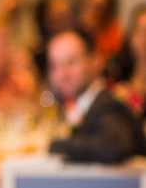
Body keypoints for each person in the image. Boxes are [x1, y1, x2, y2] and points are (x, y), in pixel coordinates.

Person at [47, 29, 146, 163]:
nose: (63, 74)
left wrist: (55, 144)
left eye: (71, 62)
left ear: (95, 61)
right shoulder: (83, 105)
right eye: (55, 66)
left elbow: (112, 147)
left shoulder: (108, 105)